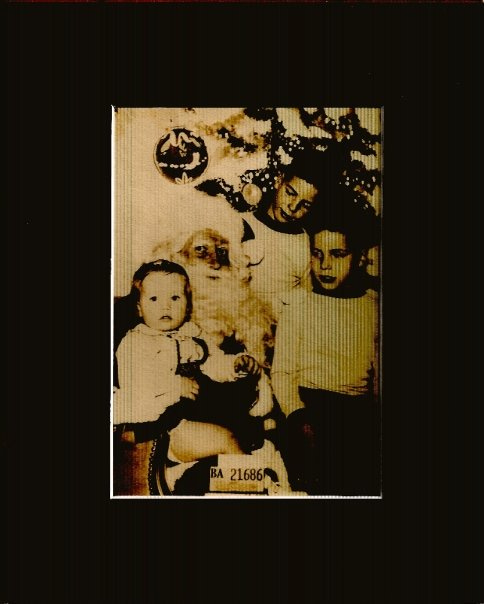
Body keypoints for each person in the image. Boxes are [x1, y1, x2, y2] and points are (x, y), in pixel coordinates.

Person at [113, 259, 263, 496]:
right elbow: (134, 399)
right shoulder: (135, 344)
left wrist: (235, 365)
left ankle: (192, 478)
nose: (166, 306)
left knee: (244, 429)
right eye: (154, 299)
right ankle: (253, 490)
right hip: (161, 429)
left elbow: (213, 362)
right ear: (139, 308)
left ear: (187, 303)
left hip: (193, 414)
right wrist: (173, 388)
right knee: (225, 439)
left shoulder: (191, 333)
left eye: (175, 298)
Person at [271, 186, 381, 495]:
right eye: (317, 254)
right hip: (307, 408)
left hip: (356, 413)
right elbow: (282, 372)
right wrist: (298, 416)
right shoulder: (298, 303)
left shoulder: (373, 308)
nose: (325, 266)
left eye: (338, 255)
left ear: (360, 258)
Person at [242, 148, 346, 319]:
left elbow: (306, 304)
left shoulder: (306, 247)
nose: (293, 207)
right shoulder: (240, 224)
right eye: (290, 193)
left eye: (306, 205)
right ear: (279, 180)